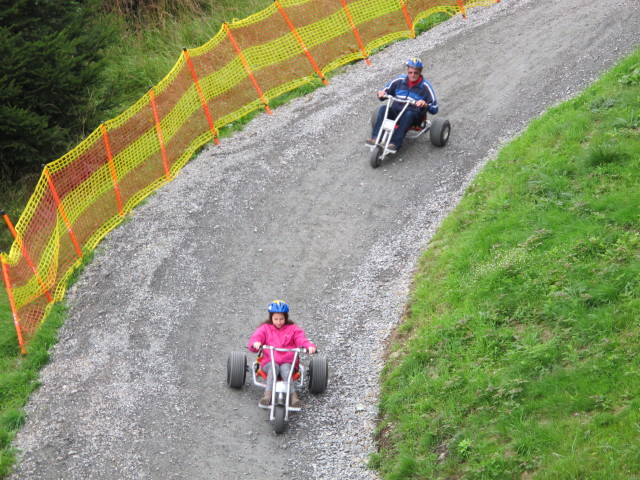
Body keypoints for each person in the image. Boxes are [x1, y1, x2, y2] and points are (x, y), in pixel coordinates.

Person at [248, 300, 317, 408]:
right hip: (269, 362)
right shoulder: (265, 328)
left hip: (288, 362)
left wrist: (308, 346)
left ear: (286, 318)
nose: (279, 322)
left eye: (281, 319)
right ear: (271, 318)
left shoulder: (293, 329)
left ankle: (293, 397)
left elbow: (301, 339)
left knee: (285, 369)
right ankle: (267, 395)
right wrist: (256, 343)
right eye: (276, 319)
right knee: (274, 368)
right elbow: (257, 338)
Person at [366, 57, 439, 153]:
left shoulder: (425, 87)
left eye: (415, 73)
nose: (412, 75)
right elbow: (385, 92)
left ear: (420, 72)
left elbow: (435, 108)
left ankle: (395, 143)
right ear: (407, 70)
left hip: (413, 116)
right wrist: (381, 94)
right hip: (396, 112)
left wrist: (425, 104)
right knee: (383, 109)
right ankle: (375, 138)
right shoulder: (399, 80)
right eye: (410, 72)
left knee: (408, 114)